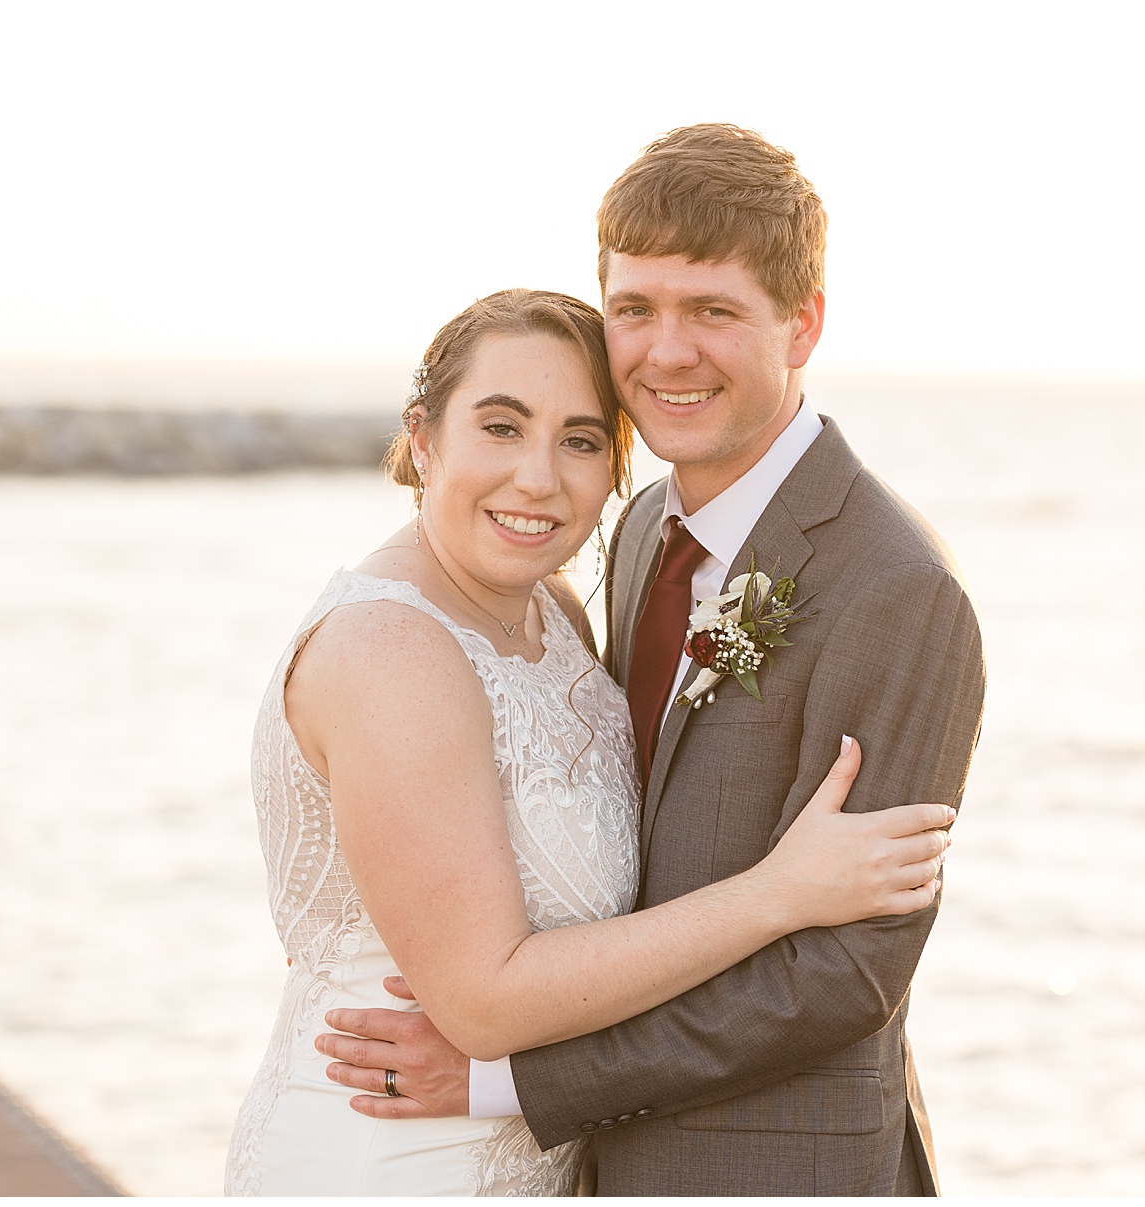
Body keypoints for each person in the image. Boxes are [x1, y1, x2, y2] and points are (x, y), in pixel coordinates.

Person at [317, 125, 987, 1196]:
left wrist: (508, 1081)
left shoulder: (895, 586)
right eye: (636, 309)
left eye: (712, 312)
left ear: (801, 323)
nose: (665, 352)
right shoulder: (635, 535)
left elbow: (843, 975)